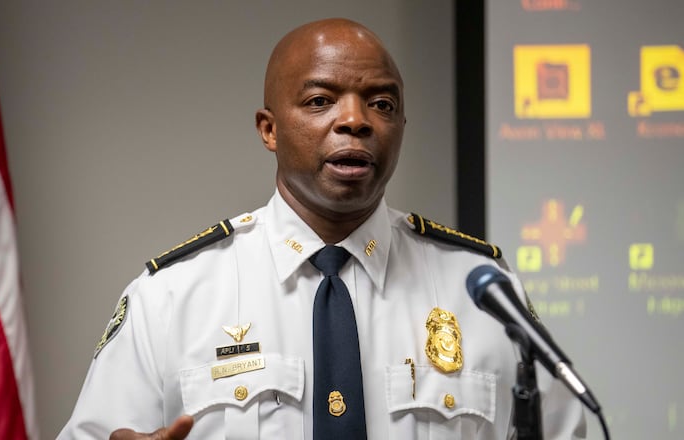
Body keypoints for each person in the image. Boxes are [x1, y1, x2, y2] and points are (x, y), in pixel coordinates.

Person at [59, 18, 586, 439]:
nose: (355, 120)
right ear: (269, 129)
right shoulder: (172, 296)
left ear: (401, 126)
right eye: (320, 101)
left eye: (382, 104)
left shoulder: (483, 290)